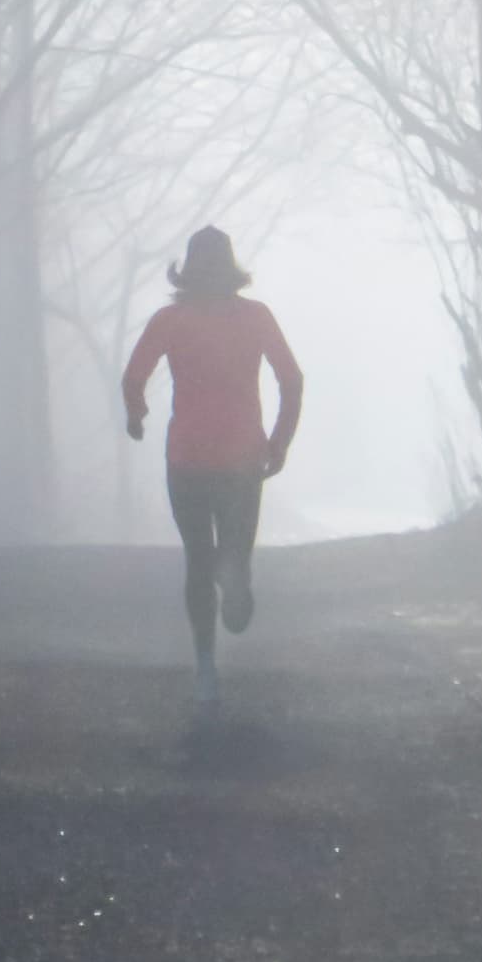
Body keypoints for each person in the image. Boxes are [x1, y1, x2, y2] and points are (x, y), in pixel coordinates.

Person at [120, 225, 304, 711]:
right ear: (232, 269)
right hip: (243, 458)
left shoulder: (169, 320)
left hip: (187, 458)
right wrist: (279, 442)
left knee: (198, 560)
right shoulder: (257, 318)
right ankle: (237, 584)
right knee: (233, 555)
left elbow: (133, 376)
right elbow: (293, 380)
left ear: (187, 271)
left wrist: (136, 413)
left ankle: (205, 666)